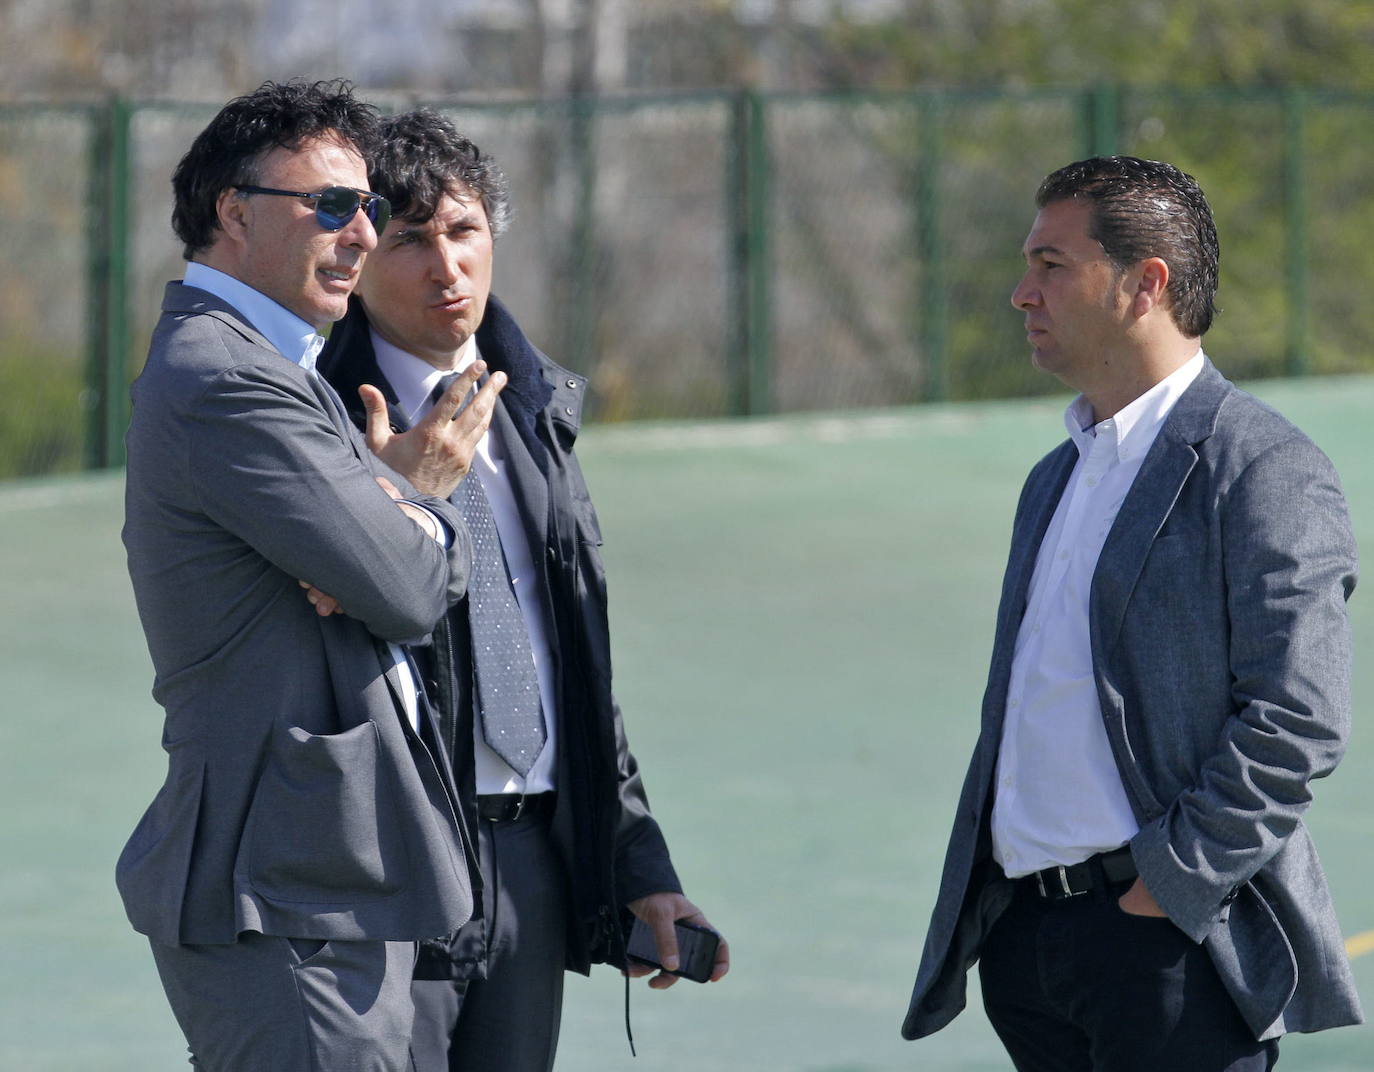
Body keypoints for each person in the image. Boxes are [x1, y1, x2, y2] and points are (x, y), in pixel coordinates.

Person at [902, 156, 1363, 1069]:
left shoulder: (1263, 466)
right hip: (1029, 948)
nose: (1020, 293)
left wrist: (1166, 888)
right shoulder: (1056, 474)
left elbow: (1297, 717)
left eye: (1051, 265)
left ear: (1144, 283)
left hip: (1167, 950)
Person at [317, 109, 729, 1072]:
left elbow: (571, 662)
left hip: (533, 862)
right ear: (363, 252)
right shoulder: (314, 414)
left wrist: (638, 864)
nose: (444, 267)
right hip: (387, 867)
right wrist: (392, 491)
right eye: (410, 239)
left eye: (463, 232)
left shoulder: (538, 412)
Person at [118, 81, 502, 1070]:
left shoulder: (271, 365)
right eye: (331, 205)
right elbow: (411, 587)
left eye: (368, 207)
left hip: (321, 881)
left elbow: (382, 568)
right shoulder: (228, 377)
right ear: (235, 214)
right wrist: (417, 504)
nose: (363, 234)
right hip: (284, 892)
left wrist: (381, 514)